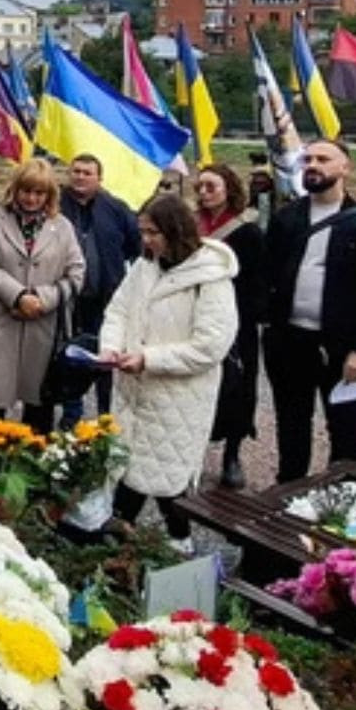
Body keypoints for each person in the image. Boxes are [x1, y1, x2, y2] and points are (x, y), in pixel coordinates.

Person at [98, 194, 238, 553]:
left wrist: (150, 358)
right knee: (129, 465)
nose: (146, 241)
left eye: (153, 233)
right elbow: (118, 311)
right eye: (142, 232)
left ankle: (179, 543)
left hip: (176, 395)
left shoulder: (210, 279)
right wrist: (111, 346)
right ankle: (116, 541)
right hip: (133, 389)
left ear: (175, 231)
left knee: (166, 473)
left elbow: (210, 346)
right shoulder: (144, 268)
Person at [263, 138, 356, 482]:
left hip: (341, 348)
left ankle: (346, 493)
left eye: (323, 159)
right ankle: (289, 492)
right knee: (292, 422)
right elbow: (267, 274)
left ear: (344, 168)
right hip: (289, 342)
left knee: (346, 427)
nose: (313, 165)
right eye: (308, 159)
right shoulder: (287, 219)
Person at [0, 158, 86, 430]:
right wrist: (18, 296)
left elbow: (77, 273)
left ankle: (32, 467)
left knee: (39, 412)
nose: (32, 198)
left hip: (41, 329)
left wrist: (42, 299)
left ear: (49, 195)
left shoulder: (63, 227)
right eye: (26, 191)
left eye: (39, 193)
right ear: (16, 189)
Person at [57, 153, 143, 427]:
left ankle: (106, 417)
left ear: (99, 178)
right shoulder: (55, 206)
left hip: (106, 298)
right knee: (67, 357)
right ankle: (71, 416)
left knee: (106, 357)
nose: (80, 177)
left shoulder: (117, 209)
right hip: (67, 300)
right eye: (76, 171)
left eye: (87, 173)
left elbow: (135, 247)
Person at [197, 164, 268, 489]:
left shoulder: (247, 231)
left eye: (211, 187)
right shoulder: (191, 227)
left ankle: (232, 454)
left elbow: (257, 282)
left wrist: (246, 317)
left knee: (238, 387)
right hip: (196, 317)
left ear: (228, 188)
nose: (204, 193)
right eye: (200, 187)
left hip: (237, 320)